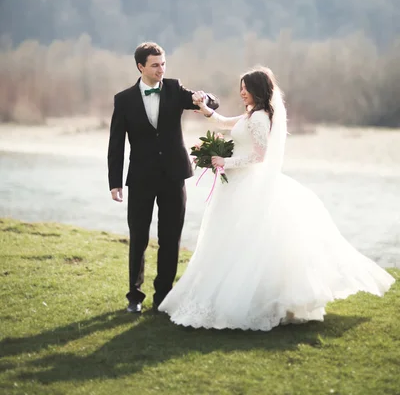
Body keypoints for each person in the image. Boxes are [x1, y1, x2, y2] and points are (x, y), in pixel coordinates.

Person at [159, 67, 395, 330]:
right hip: (236, 185)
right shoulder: (251, 115)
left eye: (246, 88)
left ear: (258, 90)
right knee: (232, 242)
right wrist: (204, 109)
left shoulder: (260, 119)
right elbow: (225, 123)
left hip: (248, 185)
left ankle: (254, 300)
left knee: (247, 244)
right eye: (241, 87)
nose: (242, 92)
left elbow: (259, 157)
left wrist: (226, 161)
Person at [107, 42, 219, 313]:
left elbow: (211, 103)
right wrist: (115, 183)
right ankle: (134, 296)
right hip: (141, 178)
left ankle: (163, 297)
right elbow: (116, 144)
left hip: (173, 176)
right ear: (140, 67)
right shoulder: (123, 100)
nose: (161, 69)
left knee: (170, 238)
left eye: (163, 64)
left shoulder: (173, 88)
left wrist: (204, 99)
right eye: (155, 65)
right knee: (139, 238)